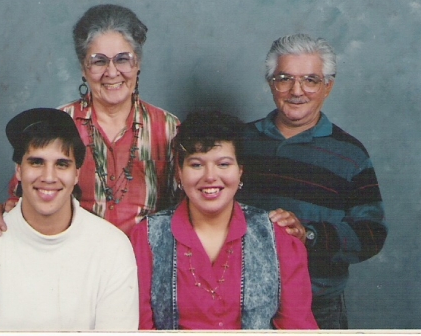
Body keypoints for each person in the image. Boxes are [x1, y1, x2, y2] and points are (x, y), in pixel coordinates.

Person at [0, 4, 179, 236]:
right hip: (72, 265)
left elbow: (189, 213)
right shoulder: (56, 126)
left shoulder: (168, 129)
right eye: (99, 61)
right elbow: (20, 201)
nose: (111, 72)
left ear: (137, 63)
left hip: (147, 267)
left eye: (122, 59)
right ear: (83, 68)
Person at [236, 33, 387, 329]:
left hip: (318, 308)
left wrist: (309, 236)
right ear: (270, 83)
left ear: (327, 86)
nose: (297, 91)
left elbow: (372, 233)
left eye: (310, 80)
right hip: (239, 301)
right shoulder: (238, 142)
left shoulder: (350, 154)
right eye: (284, 78)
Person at [0, 108, 139, 331]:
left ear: (76, 174)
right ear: (19, 170)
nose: (49, 177)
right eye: (37, 162)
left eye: (61, 164)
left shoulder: (112, 248)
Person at [130, 110, 318, 330]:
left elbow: (297, 327)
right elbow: (139, 328)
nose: (210, 176)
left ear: (240, 172)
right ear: (179, 174)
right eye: (196, 165)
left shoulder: (278, 237)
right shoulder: (148, 236)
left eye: (224, 164)